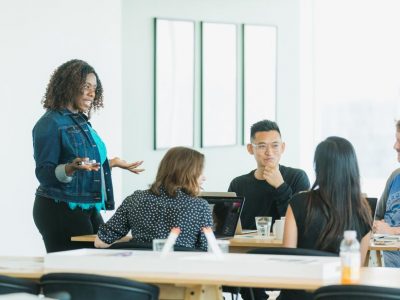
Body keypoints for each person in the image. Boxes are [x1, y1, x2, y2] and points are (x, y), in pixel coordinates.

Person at [32, 59, 144, 253]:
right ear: (69, 86)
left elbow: (85, 165)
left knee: (100, 256)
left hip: (86, 205)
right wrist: (69, 168)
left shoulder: (80, 121)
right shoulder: (49, 123)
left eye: (95, 88)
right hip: (59, 208)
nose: (92, 93)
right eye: (86, 87)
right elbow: (44, 173)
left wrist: (111, 163)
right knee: (76, 270)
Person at [282, 136, 372, 300]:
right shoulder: (363, 211)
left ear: (319, 168)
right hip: (340, 296)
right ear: (352, 168)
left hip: (299, 296)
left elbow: (287, 261)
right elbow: (356, 269)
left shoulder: (298, 202)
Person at [95, 147, 213, 251]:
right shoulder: (199, 206)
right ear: (188, 173)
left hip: (137, 270)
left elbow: (100, 242)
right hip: (179, 271)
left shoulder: (135, 199)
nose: (204, 177)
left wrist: (134, 246)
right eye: (200, 171)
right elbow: (206, 250)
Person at [228, 120, 310, 229]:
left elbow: (301, 222)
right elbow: (228, 225)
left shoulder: (298, 177)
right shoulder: (238, 184)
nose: (269, 152)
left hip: (282, 245)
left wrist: (280, 186)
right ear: (250, 149)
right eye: (262, 146)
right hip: (246, 245)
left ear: (282, 147)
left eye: (275, 145)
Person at [374, 120, 400, 267]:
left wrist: (392, 231)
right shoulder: (395, 176)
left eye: (399, 141)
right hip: (379, 256)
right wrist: (376, 226)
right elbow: (377, 216)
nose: (395, 146)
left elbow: (387, 230)